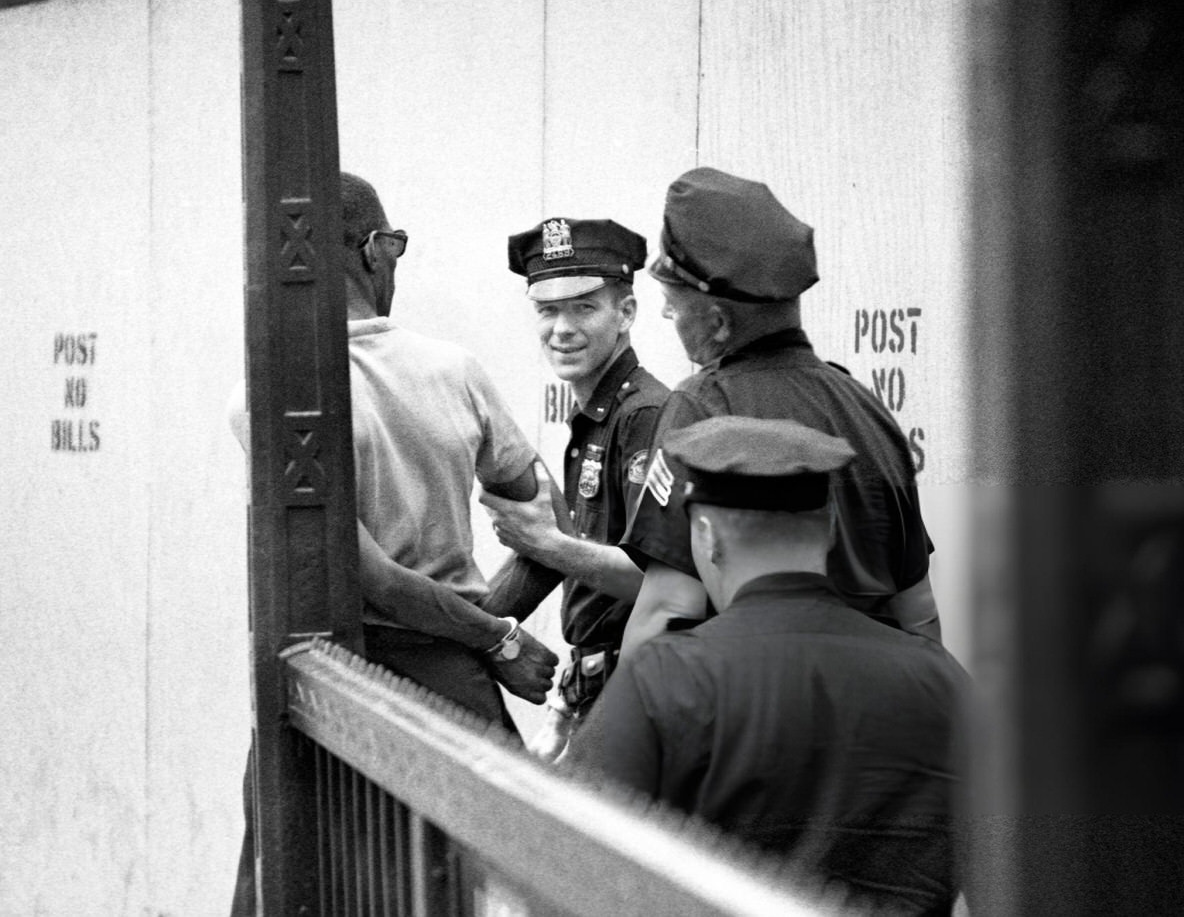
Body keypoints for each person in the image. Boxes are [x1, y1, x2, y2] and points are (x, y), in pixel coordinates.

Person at [227, 174, 558, 916]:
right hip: (451, 689)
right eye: (396, 247)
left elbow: (365, 575)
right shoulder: (455, 372)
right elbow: (546, 520)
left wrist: (487, 635)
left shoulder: (266, 398)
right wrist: (491, 632)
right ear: (376, 250)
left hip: (327, 691)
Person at [569, 415, 970, 914]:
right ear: (829, 531)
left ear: (708, 537)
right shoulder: (942, 680)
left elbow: (571, 864)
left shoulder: (662, 680)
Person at [620, 167, 940, 654]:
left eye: (672, 302)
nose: (667, 315)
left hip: (749, 710)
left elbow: (667, 610)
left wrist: (619, 726)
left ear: (719, 322)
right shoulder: (871, 414)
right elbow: (920, 615)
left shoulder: (700, 410)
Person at [478, 217, 668, 757]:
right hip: (595, 688)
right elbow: (559, 558)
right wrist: (470, 629)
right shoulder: (598, 416)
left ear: (625, 313)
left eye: (584, 307)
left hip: (638, 695)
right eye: (547, 309)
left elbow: (657, 578)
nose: (562, 328)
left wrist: (544, 543)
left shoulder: (644, 415)